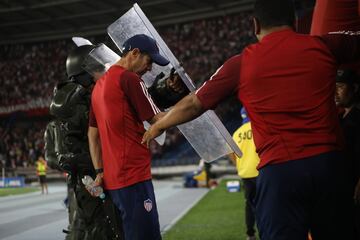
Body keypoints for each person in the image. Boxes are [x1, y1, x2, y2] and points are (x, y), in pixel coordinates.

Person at [142, 0, 360, 239]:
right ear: (296, 22)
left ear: (255, 25)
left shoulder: (241, 63)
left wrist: (160, 124)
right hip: (329, 166)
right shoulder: (326, 45)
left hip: (280, 172)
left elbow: (194, 103)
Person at [88, 34, 171, 240]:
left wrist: (99, 171)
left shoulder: (98, 87)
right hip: (133, 176)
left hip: (113, 181)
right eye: (149, 61)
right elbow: (157, 120)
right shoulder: (130, 78)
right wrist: (192, 102)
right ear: (134, 53)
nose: (150, 68)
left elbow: (92, 134)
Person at [44, 45, 123, 240]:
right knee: (93, 232)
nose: (103, 73)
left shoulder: (96, 101)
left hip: (103, 183)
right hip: (88, 188)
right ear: (86, 73)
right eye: (98, 69)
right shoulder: (73, 108)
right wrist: (97, 163)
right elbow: (58, 158)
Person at [335, 69, 360, 238]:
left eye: (340, 86)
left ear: (354, 88)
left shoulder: (357, 118)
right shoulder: (341, 117)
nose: (335, 92)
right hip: (342, 190)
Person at [229, 107, 259, 240]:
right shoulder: (259, 128)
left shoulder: (237, 133)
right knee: (266, 203)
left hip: (245, 173)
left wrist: (238, 164)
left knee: (249, 205)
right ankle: (266, 231)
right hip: (261, 171)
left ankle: (250, 234)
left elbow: (230, 152)